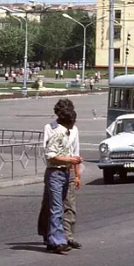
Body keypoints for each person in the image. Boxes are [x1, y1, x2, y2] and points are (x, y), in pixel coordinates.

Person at [37, 98, 81, 250]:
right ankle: (53, 238)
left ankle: (65, 237)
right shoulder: (53, 129)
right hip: (55, 171)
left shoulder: (73, 130)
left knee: (68, 205)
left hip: (67, 171)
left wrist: (77, 175)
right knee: (53, 206)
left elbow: (74, 152)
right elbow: (49, 153)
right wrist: (68, 159)